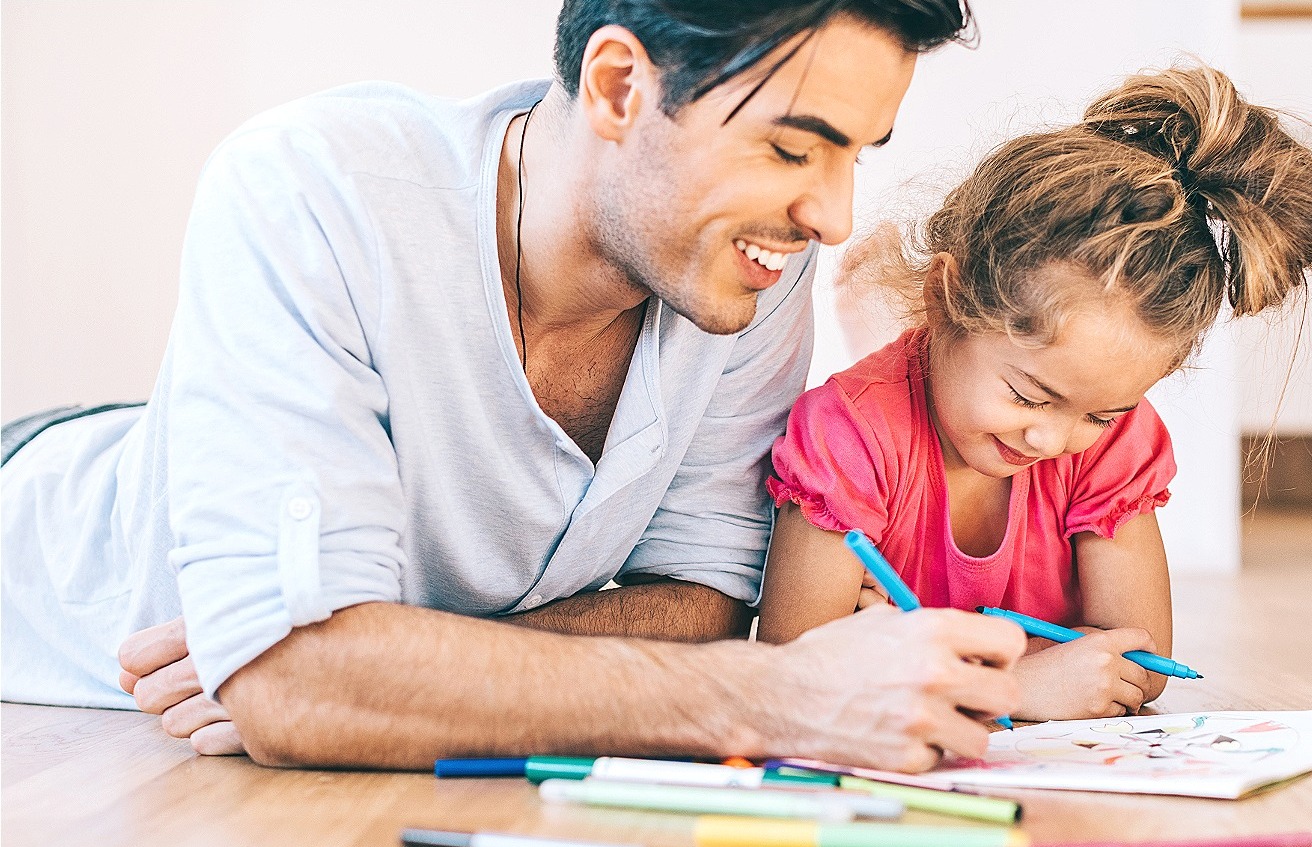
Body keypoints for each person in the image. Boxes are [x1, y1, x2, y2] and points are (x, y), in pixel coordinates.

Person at [0, 0, 1028, 772]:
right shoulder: (313, 184)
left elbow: (702, 599)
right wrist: (782, 695)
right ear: (619, 87)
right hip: (42, 533)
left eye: (854, 158)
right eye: (793, 148)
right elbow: (296, 687)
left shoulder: (749, 267)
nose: (833, 217)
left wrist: (393, 678)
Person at [756, 66, 1312, 721]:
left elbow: (1139, 664)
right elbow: (792, 673)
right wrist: (1019, 685)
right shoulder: (848, 435)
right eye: (1029, 397)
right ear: (945, 297)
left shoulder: (1116, 444)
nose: (1052, 439)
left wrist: (918, 667)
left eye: (1101, 414)